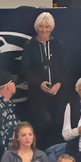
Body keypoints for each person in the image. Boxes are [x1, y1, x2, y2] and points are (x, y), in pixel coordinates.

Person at [23, 15, 67, 148]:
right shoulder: (30, 46)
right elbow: (25, 70)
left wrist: (59, 83)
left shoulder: (57, 45)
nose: (44, 30)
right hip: (37, 94)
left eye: (47, 27)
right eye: (41, 26)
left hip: (57, 93)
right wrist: (39, 84)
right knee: (42, 122)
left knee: (58, 122)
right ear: (37, 27)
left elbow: (65, 67)